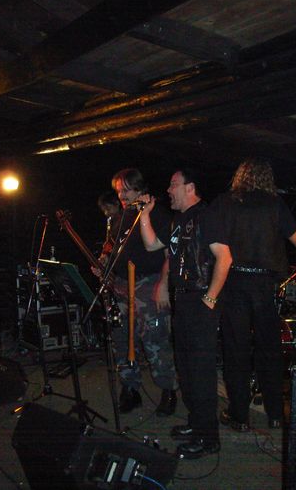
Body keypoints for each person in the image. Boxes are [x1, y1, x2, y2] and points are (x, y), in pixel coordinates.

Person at [138, 168, 232, 460]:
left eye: (173, 184)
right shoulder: (178, 220)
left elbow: (225, 257)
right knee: (187, 369)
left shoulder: (206, 215)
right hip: (184, 301)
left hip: (200, 300)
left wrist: (210, 298)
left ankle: (208, 438)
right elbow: (151, 245)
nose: (168, 190)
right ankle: (196, 424)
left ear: (190, 187)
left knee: (201, 372)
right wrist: (144, 215)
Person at [217, 159, 296, 431]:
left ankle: (239, 416)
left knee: (235, 350)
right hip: (263, 285)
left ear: (240, 176)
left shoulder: (226, 203)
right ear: (267, 178)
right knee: (269, 350)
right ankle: (275, 414)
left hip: (234, 281)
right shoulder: (274, 204)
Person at [103, 168, 178, 416]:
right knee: (123, 339)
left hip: (149, 284)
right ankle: (130, 389)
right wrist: (105, 266)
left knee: (155, 340)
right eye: (119, 191)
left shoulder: (157, 213)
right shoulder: (123, 217)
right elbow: (116, 250)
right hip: (122, 285)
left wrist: (163, 285)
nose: (122, 195)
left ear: (139, 188)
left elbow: (170, 254)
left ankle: (168, 390)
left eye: (126, 190)